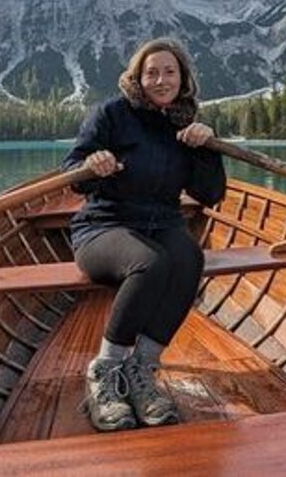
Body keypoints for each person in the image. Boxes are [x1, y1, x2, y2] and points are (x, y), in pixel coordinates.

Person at [62, 37, 226, 432]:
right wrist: (91, 163)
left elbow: (211, 194)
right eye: (151, 72)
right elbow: (72, 174)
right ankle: (105, 371)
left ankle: (141, 371)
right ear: (137, 77)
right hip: (104, 226)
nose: (160, 79)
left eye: (169, 71)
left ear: (183, 78)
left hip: (163, 223)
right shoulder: (112, 114)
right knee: (151, 263)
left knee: (188, 259)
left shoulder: (186, 124)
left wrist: (206, 149)